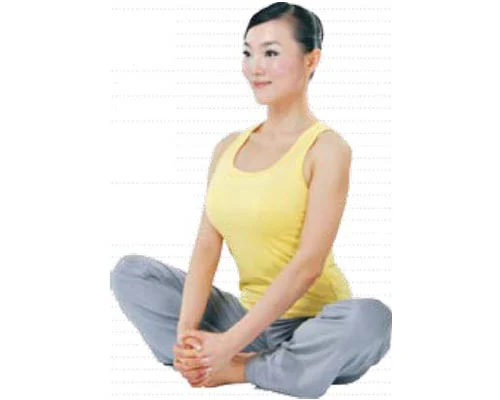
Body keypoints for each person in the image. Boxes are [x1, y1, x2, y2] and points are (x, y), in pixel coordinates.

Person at [110, 2, 392, 398]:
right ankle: (253, 364)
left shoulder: (327, 150)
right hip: (246, 320)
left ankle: (240, 368)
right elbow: (206, 247)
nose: (254, 67)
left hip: (314, 325)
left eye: (271, 53)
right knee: (131, 273)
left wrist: (227, 347)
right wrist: (187, 335)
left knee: (370, 320)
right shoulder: (227, 147)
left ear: (311, 59)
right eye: (248, 52)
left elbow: (308, 265)